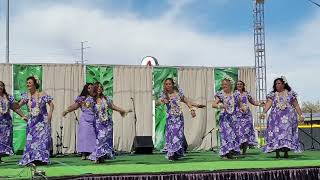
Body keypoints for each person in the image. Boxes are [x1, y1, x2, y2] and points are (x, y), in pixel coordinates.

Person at [158, 78, 203, 161]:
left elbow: (186, 101)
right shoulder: (164, 94)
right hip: (171, 119)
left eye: (169, 84)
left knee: (179, 136)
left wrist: (192, 109)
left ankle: (177, 153)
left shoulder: (179, 93)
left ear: (173, 84)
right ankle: (171, 153)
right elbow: (159, 102)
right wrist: (162, 101)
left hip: (179, 118)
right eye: (166, 84)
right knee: (172, 136)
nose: (167, 86)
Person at [261, 76, 304, 159]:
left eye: (279, 83)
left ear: (284, 84)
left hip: (288, 118)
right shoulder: (272, 94)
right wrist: (264, 112)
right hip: (275, 118)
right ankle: (277, 153)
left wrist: (300, 115)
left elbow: (296, 105)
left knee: (287, 134)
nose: (277, 85)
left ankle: (286, 152)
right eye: (276, 84)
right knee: (276, 134)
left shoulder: (291, 94)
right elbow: (268, 104)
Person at [88, 82, 131, 163]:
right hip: (98, 123)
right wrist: (86, 104)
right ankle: (97, 156)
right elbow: (87, 105)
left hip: (108, 123)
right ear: (95, 88)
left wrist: (123, 110)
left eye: (101, 87)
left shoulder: (106, 98)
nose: (99, 88)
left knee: (106, 140)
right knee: (100, 139)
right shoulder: (91, 99)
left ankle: (102, 156)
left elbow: (112, 106)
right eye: (98, 87)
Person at [19, 76, 54, 166]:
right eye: (27, 83)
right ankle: (31, 159)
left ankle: (42, 159)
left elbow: (51, 105)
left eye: (30, 83)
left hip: (43, 122)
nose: (28, 84)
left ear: (35, 84)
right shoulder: (26, 96)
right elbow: (17, 106)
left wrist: (49, 115)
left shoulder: (42, 94)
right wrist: (23, 116)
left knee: (42, 141)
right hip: (32, 122)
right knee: (31, 141)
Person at [63, 83, 96, 160]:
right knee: (84, 136)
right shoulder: (82, 98)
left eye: (92, 88)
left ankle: (92, 153)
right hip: (85, 120)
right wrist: (66, 110)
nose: (91, 89)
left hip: (94, 119)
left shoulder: (95, 98)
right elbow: (75, 106)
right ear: (86, 89)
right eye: (89, 88)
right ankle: (83, 154)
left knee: (93, 137)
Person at [212, 77, 240, 159]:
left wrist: (243, 108)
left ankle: (230, 152)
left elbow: (239, 103)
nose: (223, 86)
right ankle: (224, 153)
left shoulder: (235, 94)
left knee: (232, 135)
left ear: (230, 84)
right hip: (224, 118)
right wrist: (220, 105)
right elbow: (213, 104)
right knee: (226, 135)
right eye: (222, 84)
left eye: (225, 84)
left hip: (233, 118)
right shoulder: (220, 94)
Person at [0, 81, 27, 163]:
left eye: (1, 86)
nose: (0, 87)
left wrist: (23, 116)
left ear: (3, 87)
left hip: (6, 122)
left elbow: (15, 107)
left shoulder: (8, 97)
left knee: (4, 140)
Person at [234, 80, 263, 154]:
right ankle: (239, 149)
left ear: (243, 85)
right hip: (238, 114)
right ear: (236, 86)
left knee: (246, 132)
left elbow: (253, 102)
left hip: (247, 115)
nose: (239, 85)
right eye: (238, 84)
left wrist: (260, 104)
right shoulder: (234, 94)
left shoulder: (246, 93)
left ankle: (244, 151)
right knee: (239, 132)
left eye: (241, 84)